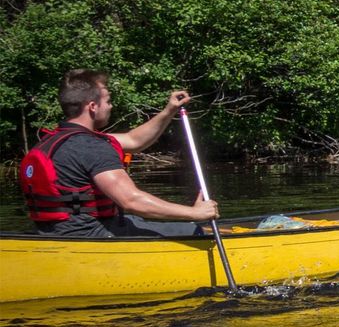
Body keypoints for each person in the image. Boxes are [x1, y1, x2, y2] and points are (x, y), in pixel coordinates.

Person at [20, 69, 219, 237]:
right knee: (191, 230)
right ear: (92, 106)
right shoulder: (92, 147)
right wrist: (194, 213)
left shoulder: (53, 141)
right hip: (91, 234)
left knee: (135, 220)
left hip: (53, 232)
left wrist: (169, 111)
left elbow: (134, 140)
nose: (111, 106)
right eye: (108, 101)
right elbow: (131, 201)